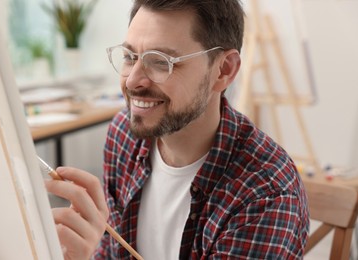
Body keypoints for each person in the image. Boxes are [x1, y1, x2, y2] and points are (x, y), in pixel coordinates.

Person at [46, 0, 310, 259]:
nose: (133, 80)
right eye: (129, 57)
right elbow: (110, 252)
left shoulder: (267, 194)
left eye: (161, 61)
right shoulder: (123, 134)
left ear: (224, 71)